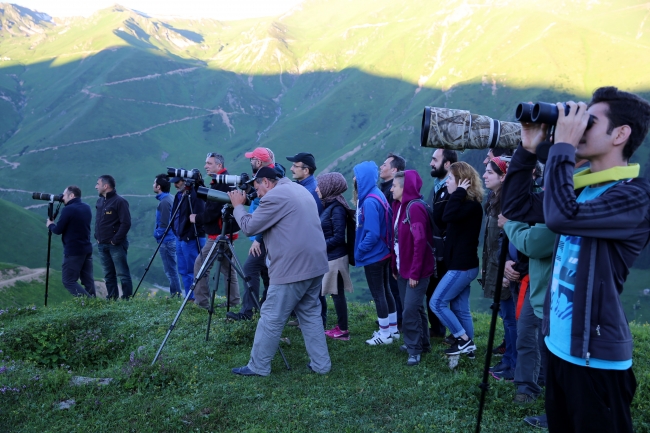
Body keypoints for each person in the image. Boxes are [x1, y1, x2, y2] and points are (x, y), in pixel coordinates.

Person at [501, 87, 650, 433]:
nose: (579, 128)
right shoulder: (584, 189)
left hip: (597, 360)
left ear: (621, 134)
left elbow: (560, 217)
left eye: (589, 122)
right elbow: (516, 208)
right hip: (559, 348)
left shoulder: (635, 197)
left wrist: (562, 148)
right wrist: (526, 151)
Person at [227, 167, 331, 376]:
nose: (258, 195)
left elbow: (250, 227)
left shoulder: (275, 196)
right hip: (316, 264)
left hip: (292, 268)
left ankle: (258, 366)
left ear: (266, 181)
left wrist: (237, 207)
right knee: (310, 314)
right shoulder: (298, 189)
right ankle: (321, 365)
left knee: (271, 316)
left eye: (258, 188)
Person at [429, 162, 484, 357]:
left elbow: (448, 215)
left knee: (436, 303)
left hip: (462, 266)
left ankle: (462, 339)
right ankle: (468, 349)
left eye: (450, 179)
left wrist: (458, 192)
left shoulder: (471, 206)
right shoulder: (464, 204)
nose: (447, 183)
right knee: (461, 309)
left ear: (462, 182)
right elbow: (443, 217)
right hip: (462, 265)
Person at [499, 215, 554, 407]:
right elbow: (513, 242)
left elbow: (532, 244)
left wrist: (508, 224)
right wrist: (506, 260)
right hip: (535, 283)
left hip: (554, 287)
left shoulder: (554, 211)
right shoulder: (540, 203)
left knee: (549, 342)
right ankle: (526, 388)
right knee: (526, 334)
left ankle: (552, 391)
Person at [390, 170, 435, 366]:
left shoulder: (414, 209)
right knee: (415, 308)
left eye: (395, 185)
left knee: (409, 310)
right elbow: (396, 240)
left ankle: (413, 349)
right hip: (403, 268)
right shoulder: (399, 206)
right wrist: (395, 265)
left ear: (404, 187)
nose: (391, 188)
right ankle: (423, 343)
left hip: (416, 270)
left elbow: (420, 241)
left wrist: (415, 272)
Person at [227, 147, 276, 321]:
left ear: (259, 162)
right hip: (263, 232)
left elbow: (268, 212)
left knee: (250, 268)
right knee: (267, 273)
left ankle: (248, 312)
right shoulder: (268, 176)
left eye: (252, 159)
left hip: (263, 234)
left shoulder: (268, 179)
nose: (250, 162)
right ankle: (267, 307)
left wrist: (257, 239)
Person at [353, 161, 397, 345]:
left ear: (362, 178)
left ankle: (384, 334)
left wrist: (359, 251)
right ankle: (392, 330)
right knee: (386, 291)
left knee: (378, 293)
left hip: (374, 255)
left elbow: (372, 234)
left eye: (356, 175)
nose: (354, 179)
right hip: (384, 252)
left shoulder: (369, 201)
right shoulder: (376, 194)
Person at [481, 157, 517, 379]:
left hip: (503, 269)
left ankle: (514, 364)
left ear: (503, 177)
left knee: (511, 319)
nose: (484, 175)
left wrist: (504, 270)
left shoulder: (507, 203)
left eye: (490, 172)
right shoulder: (494, 200)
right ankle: (508, 359)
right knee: (506, 316)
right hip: (495, 267)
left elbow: (508, 240)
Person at [190, 153, 240, 310]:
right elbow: (212, 200)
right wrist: (200, 185)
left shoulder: (221, 183)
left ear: (219, 166)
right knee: (228, 268)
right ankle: (233, 301)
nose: (206, 166)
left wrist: (196, 218)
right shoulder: (223, 180)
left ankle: (202, 303)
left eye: (209, 163)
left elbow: (212, 212)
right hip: (228, 232)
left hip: (218, 234)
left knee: (201, 265)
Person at [316, 172, 354, 341]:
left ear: (329, 187)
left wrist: (319, 247)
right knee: (335, 293)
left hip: (335, 258)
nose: (317, 189)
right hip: (331, 256)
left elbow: (339, 237)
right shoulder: (330, 205)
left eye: (320, 185)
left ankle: (343, 330)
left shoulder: (337, 208)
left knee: (337, 294)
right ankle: (341, 327)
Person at [427, 148, 458, 339]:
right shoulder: (439, 186)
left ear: (447, 164)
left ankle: (453, 332)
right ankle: (438, 328)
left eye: (435, 160)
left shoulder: (450, 189)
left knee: (441, 292)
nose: (431, 163)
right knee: (433, 289)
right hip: (438, 249)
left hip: (446, 250)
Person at [46, 186, 94, 297]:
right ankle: (95, 305)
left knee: (68, 281)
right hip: (86, 248)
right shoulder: (86, 207)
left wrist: (51, 224)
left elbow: (58, 230)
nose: (62, 197)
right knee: (88, 281)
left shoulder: (69, 209)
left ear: (71, 195)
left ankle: (89, 303)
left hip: (73, 251)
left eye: (64, 194)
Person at [378, 152, 406, 329]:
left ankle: (399, 319)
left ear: (394, 169)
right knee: (389, 284)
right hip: (387, 245)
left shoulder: (391, 191)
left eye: (385, 164)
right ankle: (393, 316)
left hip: (390, 245)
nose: (381, 166)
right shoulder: (385, 188)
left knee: (394, 285)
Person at [95, 174, 132, 300]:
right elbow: (98, 221)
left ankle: (127, 299)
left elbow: (126, 223)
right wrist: (97, 236)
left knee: (122, 273)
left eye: (98, 184)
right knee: (108, 274)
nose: (96, 187)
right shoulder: (100, 201)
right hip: (102, 244)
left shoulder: (119, 201)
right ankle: (112, 299)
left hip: (115, 245)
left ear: (105, 186)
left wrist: (115, 240)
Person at [171, 176, 206, 301]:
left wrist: (189, 235)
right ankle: (189, 297)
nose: (175, 185)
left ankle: (198, 298)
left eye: (177, 182)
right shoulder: (179, 196)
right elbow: (175, 214)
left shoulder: (195, 196)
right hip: (180, 237)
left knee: (193, 269)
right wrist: (175, 231)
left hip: (190, 238)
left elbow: (200, 217)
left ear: (185, 181)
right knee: (183, 270)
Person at [153, 174, 182, 297]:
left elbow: (164, 224)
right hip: (172, 238)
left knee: (170, 270)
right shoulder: (170, 198)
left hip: (166, 240)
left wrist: (157, 234)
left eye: (154, 183)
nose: (153, 185)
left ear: (158, 186)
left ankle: (175, 294)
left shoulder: (164, 202)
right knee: (172, 269)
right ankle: (176, 293)